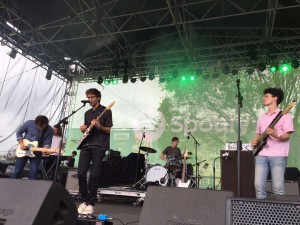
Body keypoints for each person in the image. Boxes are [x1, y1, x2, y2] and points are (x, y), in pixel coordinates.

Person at [251, 87, 294, 199]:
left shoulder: (285, 116)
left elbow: (287, 136)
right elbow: (259, 134)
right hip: (261, 154)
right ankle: (262, 214)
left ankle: (280, 215)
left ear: (275, 98)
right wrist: (255, 140)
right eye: (264, 96)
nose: (264, 98)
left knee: (278, 188)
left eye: (267, 96)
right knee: (258, 186)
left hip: (278, 155)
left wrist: (276, 135)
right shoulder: (261, 118)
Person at [77, 88, 113, 216]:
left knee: (94, 175)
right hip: (86, 145)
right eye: (88, 97)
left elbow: (108, 130)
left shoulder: (106, 111)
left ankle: (91, 203)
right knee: (80, 173)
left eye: (92, 97)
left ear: (98, 97)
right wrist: (84, 129)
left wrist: (99, 126)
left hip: (99, 146)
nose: (90, 99)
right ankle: (83, 201)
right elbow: (88, 130)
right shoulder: (87, 113)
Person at [12, 115, 53, 179]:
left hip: (37, 152)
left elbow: (48, 142)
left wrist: (46, 148)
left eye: (43, 126)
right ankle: (11, 186)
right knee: (17, 171)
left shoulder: (49, 129)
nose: (41, 128)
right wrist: (21, 143)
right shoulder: (29, 123)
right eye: (39, 126)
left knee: (34, 172)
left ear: (46, 124)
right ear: (35, 123)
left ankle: (31, 188)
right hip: (24, 150)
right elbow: (19, 132)